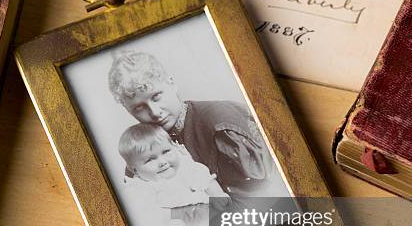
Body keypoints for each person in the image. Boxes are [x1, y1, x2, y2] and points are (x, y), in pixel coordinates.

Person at [108, 50, 289, 208]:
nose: (154, 113)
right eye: (139, 108)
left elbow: (266, 200)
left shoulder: (222, 125)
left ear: (171, 83)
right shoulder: (144, 149)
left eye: (156, 97)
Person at [117, 123, 227, 226]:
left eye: (166, 151)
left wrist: (218, 196)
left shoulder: (186, 168)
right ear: (134, 170)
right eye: (150, 160)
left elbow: (206, 180)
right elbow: (150, 220)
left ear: (174, 148)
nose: (162, 162)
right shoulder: (141, 188)